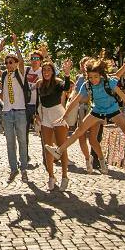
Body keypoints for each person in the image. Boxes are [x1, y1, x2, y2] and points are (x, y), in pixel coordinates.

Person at [44, 55, 125, 174]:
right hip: (97, 111)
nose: (93, 80)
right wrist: (65, 115)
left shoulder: (109, 82)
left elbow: (124, 98)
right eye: (90, 77)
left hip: (113, 110)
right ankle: (59, 151)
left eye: (96, 77)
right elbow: (75, 100)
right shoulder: (86, 85)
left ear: (100, 75)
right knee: (79, 131)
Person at [0, 34, 31, 183]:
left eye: (11, 62)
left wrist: (16, 44)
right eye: (6, 63)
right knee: (10, 143)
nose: (8, 65)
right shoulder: (4, 75)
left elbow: (22, 61)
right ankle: (13, 169)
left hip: (20, 111)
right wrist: (0, 48)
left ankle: (24, 169)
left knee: (22, 141)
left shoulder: (20, 73)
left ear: (16, 63)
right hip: (7, 112)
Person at [36, 60, 73, 190]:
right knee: (47, 147)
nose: (46, 72)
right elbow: (38, 101)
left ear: (53, 72)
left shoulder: (58, 83)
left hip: (58, 114)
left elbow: (66, 87)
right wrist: (36, 115)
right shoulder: (39, 84)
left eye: (49, 70)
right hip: (45, 115)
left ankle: (64, 176)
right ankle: (51, 176)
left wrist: (67, 74)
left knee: (62, 147)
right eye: (44, 70)